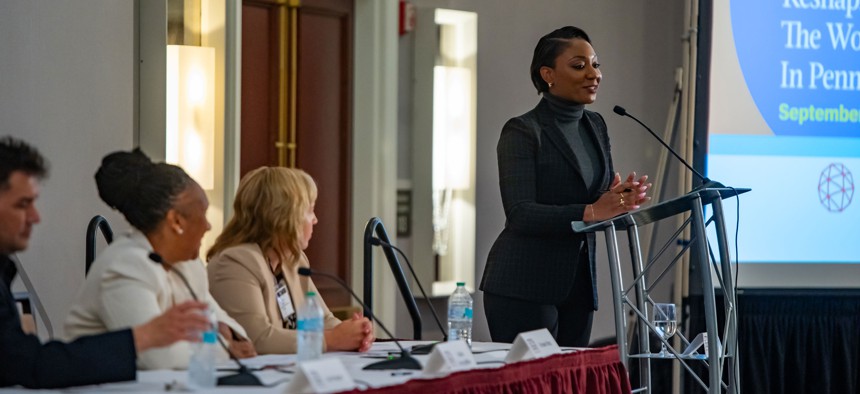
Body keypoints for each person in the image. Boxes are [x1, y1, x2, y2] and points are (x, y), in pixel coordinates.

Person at [480, 26, 652, 347]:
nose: (593, 74)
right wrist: (591, 210)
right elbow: (520, 214)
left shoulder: (595, 125)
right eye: (579, 65)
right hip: (524, 285)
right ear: (548, 74)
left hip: (579, 287)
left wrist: (616, 200)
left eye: (596, 64)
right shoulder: (522, 130)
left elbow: (594, 200)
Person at [0, 137, 210, 388]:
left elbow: (22, 362)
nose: (36, 217)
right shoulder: (127, 263)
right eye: (23, 205)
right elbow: (30, 366)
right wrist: (140, 338)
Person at [64, 149, 257, 370]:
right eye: (202, 213)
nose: (208, 225)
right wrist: (223, 349)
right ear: (176, 221)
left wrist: (226, 335)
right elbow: (156, 357)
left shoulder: (188, 264)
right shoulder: (126, 266)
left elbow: (223, 323)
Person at [207, 167, 374, 354]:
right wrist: (334, 339)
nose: (316, 220)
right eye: (310, 210)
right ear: (285, 216)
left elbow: (324, 320)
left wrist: (357, 332)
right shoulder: (235, 262)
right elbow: (257, 339)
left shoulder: (294, 260)